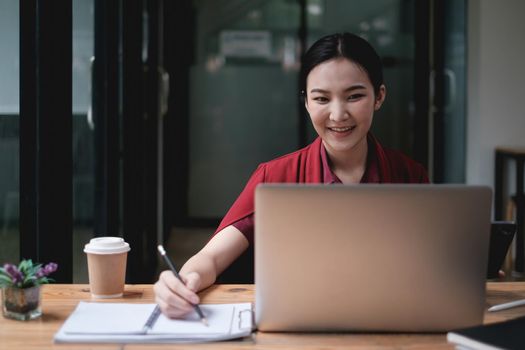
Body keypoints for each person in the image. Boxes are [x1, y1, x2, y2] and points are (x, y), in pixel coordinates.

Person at [154, 32, 429, 318]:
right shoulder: (274, 177)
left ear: (379, 96)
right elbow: (210, 258)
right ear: (307, 102)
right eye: (322, 98)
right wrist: (182, 283)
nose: (338, 114)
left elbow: (432, 266)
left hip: (388, 321)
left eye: (355, 96)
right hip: (296, 326)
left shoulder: (410, 175)